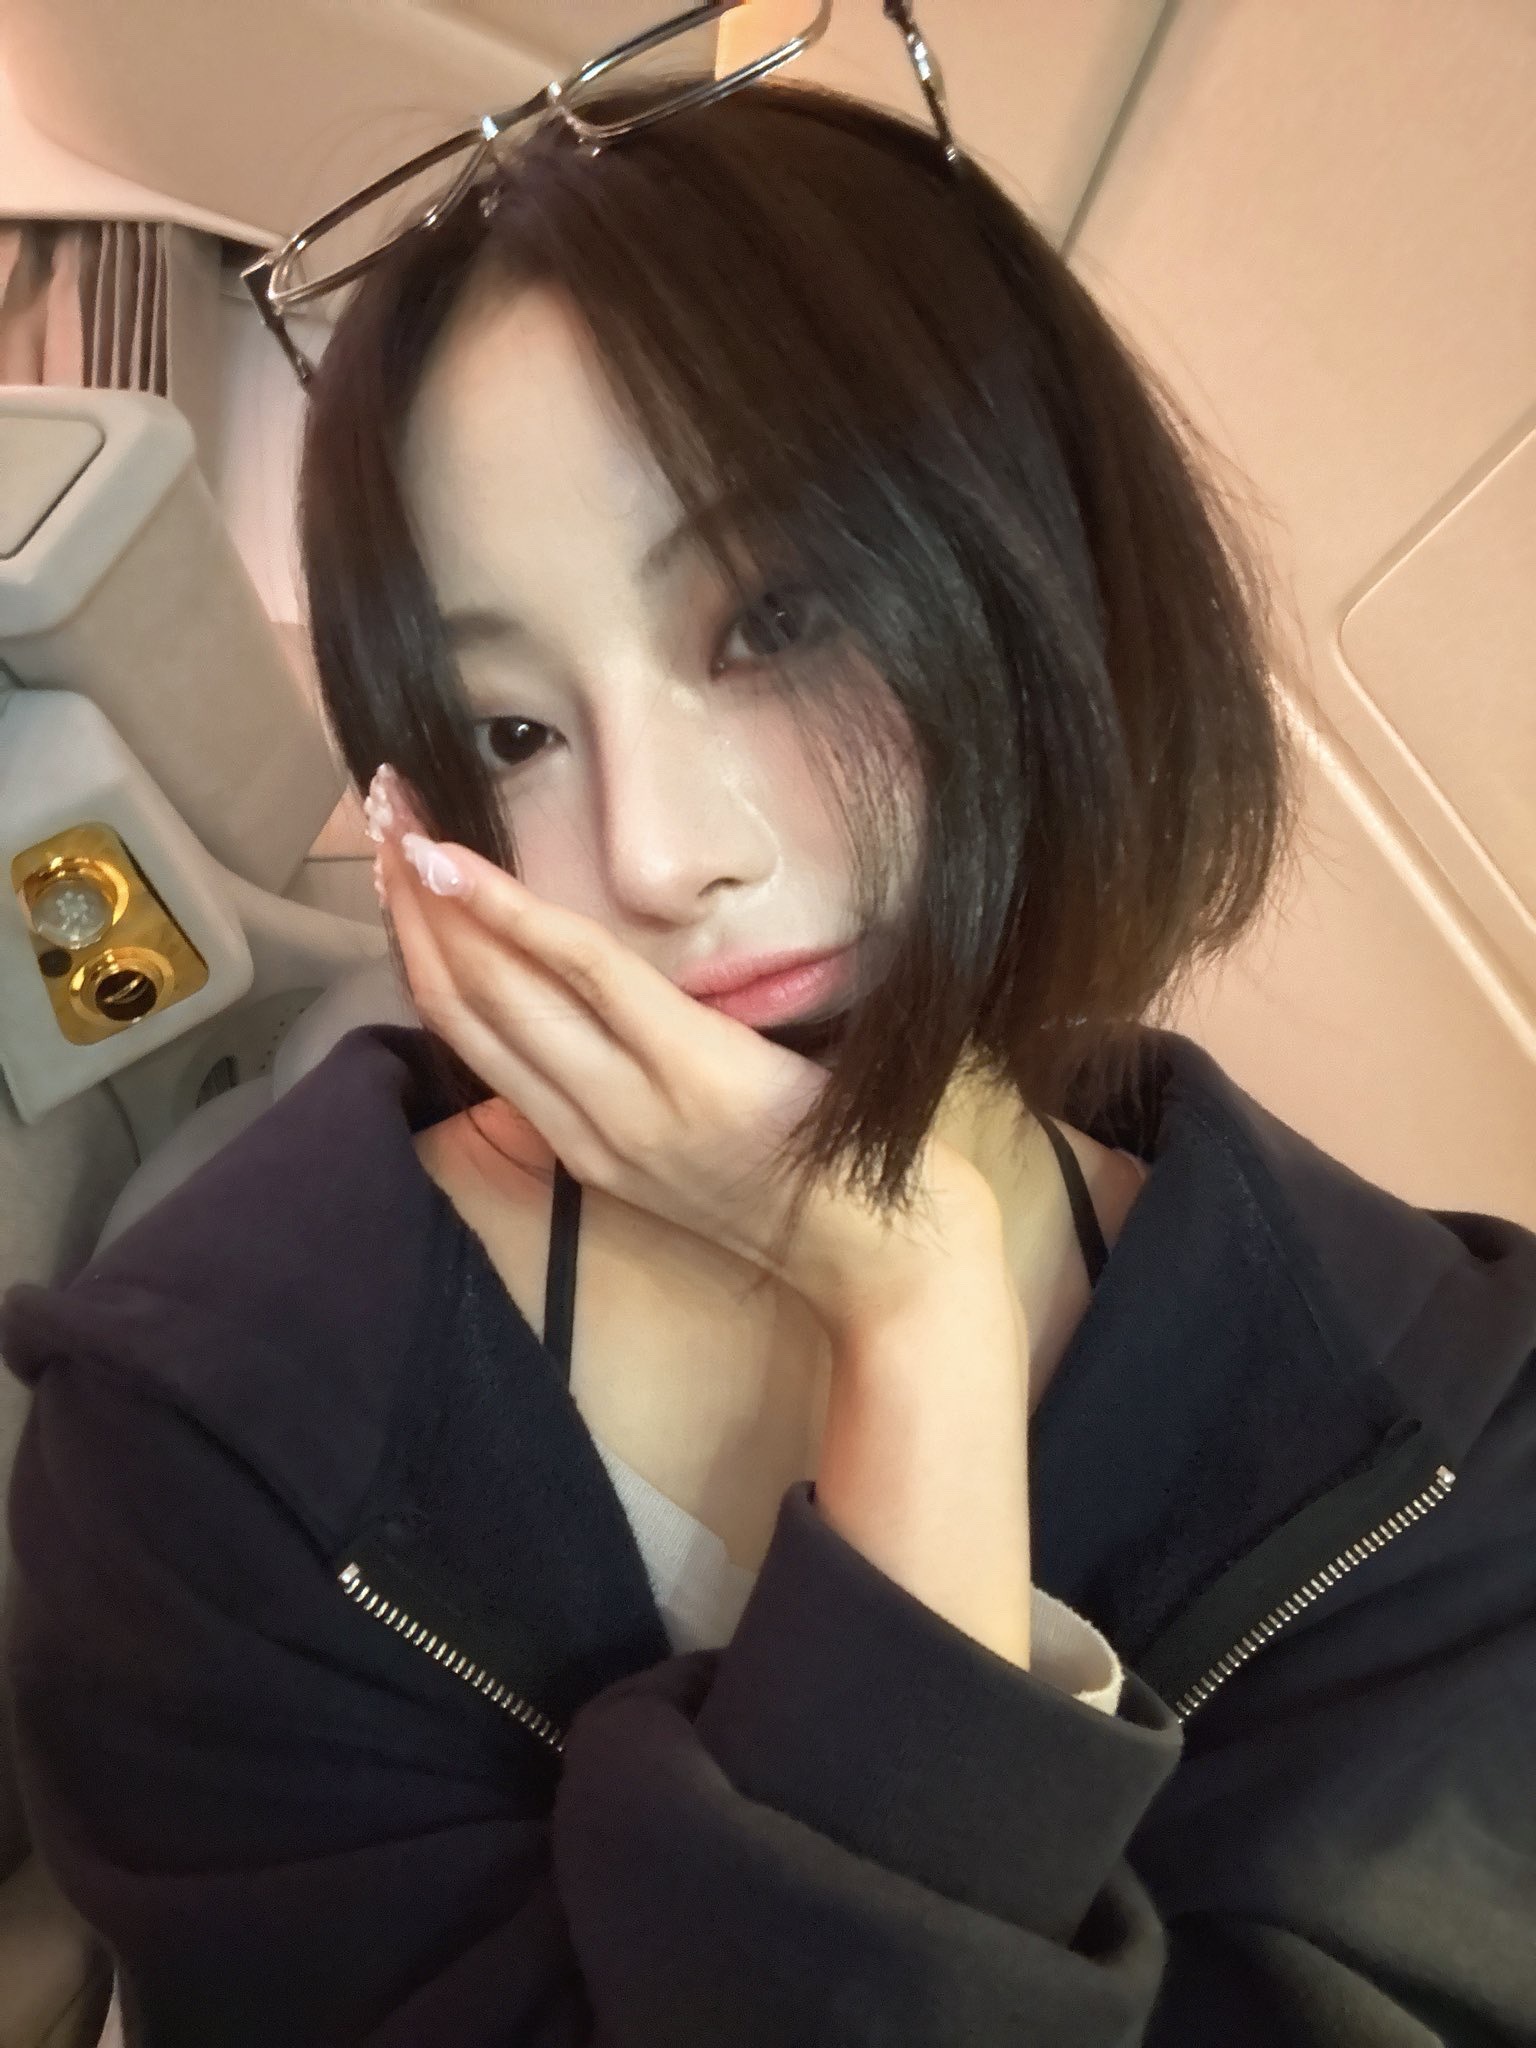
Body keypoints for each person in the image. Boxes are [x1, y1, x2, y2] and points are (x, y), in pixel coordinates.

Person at [4, 11, 1535, 2045]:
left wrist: (910, 1301)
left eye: (779, 621)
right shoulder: (195, 1448)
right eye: (511, 731)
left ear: (1050, 567)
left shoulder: (1456, 1448)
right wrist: (913, 1322)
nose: (659, 857)